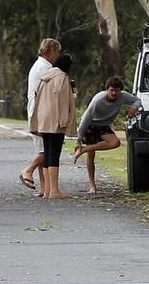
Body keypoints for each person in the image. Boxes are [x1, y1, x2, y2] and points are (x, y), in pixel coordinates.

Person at [72, 78, 136, 194]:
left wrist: (134, 107)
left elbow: (137, 100)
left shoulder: (123, 96)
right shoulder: (98, 100)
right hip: (90, 124)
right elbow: (86, 119)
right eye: (111, 90)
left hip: (103, 125)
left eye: (116, 91)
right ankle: (92, 186)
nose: (114, 93)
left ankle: (84, 150)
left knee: (115, 143)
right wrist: (79, 139)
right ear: (107, 90)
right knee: (91, 156)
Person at [29, 52, 76, 199]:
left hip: (44, 119)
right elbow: (62, 101)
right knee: (54, 154)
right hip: (55, 120)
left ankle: (48, 189)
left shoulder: (46, 76)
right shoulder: (61, 77)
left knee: (48, 153)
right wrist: (64, 121)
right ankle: (54, 190)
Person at [19, 37, 62, 191]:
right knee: (47, 150)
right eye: (57, 52)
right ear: (50, 51)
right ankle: (28, 170)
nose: (58, 55)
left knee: (42, 148)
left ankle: (45, 188)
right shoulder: (44, 68)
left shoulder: (40, 66)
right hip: (40, 114)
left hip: (36, 112)